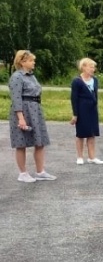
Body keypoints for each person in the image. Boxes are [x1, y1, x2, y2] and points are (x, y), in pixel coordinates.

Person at [8, 50, 56, 182]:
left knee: (40, 142)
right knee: (21, 143)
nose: (33, 62)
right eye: (31, 60)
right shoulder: (17, 77)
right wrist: (21, 118)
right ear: (22, 62)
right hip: (23, 111)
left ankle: (40, 172)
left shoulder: (31, 76)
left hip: (35, 110)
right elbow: (16, 98)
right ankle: (23, 174)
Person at [70, 58, 103, 165]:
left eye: (94, 67)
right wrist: (75, 114)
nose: (93, 69)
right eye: (91, 67)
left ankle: (92, 157)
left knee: (92, 133)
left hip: (92, 110)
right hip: (81, 110)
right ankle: (80, 157)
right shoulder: (77, 81)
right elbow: (74, 98)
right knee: (81, 134)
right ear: (84, 67)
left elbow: (95, 95)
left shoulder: (95, 80)